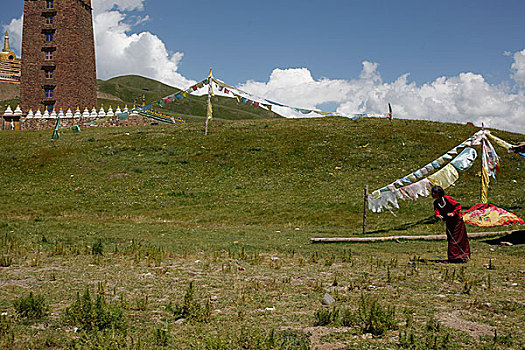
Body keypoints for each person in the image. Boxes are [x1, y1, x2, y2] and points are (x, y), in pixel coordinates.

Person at [431, 186, 470, 263]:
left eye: (434, 192)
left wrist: (453, 213)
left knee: (457, 239)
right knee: (450, 238)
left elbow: (458, 205)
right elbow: (437, 211)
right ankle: (454, 257)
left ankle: (460, 256)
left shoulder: (447, 199)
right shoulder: (436, 203)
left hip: (457, 221)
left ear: (439, 193)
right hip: (449, 222)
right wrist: (437, 215)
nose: (432, 194)